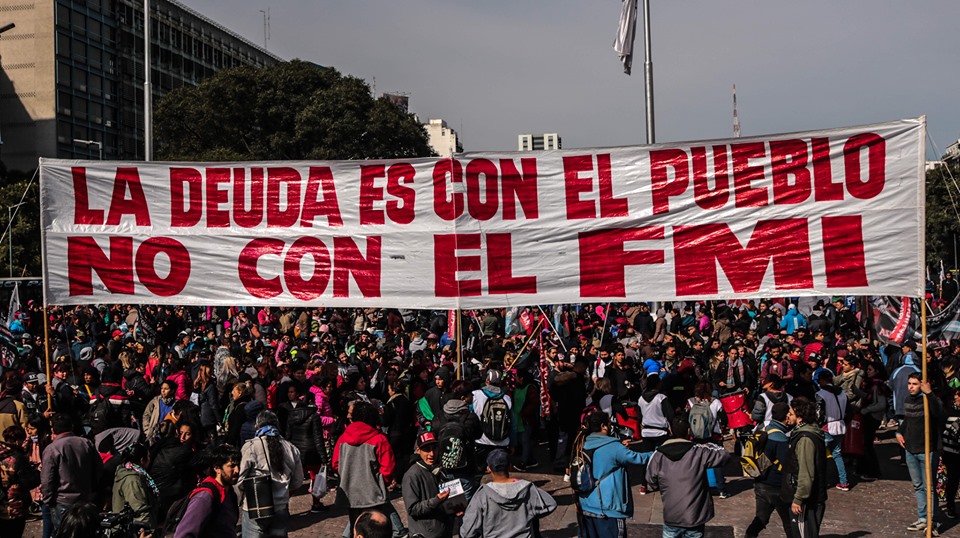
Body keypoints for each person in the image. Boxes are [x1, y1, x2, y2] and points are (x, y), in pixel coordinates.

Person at [645, 417, 731, 538]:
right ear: (689, 431)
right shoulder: (699, 451)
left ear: (670, 431)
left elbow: (650, 480)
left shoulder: (658, 455)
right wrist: (708, 444)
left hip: (671, 516)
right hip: (695, 516)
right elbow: (724, 454)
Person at [333, 401, 405, 538]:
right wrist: (380, 481)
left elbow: (335, 464)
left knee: (356, 526)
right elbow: (388, 467)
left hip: (350, 492)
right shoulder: (379, 439)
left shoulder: (342, 439)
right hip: (373, 492)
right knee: (376, 529)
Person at [578, 411, 653, 538]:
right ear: (603, 426)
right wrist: (658, 453)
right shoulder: (614, 447)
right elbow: (638, 458)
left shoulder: (582, 444)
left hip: (586, 507)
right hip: (608, 510)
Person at [460, 449, 557, 538]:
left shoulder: (482, 495)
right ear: (510, 467)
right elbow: (550, 504)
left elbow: (467, 532)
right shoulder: (527, 488)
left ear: (488, 469)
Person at [238, 410, 303, 538]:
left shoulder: (251, 447)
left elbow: (240, 479)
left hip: (255, 507)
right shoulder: (291, 448)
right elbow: (298, 481)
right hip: (280, 507)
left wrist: (240, 498)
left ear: (257, 426)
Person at [898, 373, 944, 535]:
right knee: (918, 486)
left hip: (928, 450)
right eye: (909, 383)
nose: (910, 386)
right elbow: (907, 420)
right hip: (911, 449)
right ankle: (923, 518)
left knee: (929, 488)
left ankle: (934, 521)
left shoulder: (929, 400)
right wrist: (899, 432)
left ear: (923, 384)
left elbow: (939, 414)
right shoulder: (908, 400)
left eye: (915, 384)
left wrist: (929, 393)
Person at [41, 414, 103, 533]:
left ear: (53, 430)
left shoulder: (52, 448)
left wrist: (48, 500)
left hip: (63, 501)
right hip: (85, 498)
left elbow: (47, 479)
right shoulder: (86, 443)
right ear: (72, 426)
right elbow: (99, 468)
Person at [781, 397, 828, 538]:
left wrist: (799, 499)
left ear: (800, 418)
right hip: (807, 497)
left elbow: (806, 472)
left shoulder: (805, 439)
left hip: (806, 500)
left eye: (791, 413)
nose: (787, 416)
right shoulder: (805, 434)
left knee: (803, 534)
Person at [745, 402, 792, 538]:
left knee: (761, 518)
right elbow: (786, 464)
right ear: (786, 417)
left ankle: (749, 535)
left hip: (760, 484)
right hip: (776, 487)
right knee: (789, 523)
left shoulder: (765, 429)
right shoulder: (780, 438)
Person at [174, 444, 241, 538]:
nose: (237, 470)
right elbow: (184, 534)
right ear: (217, 468)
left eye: (238, 465)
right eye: (232, 466)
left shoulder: (230, 493)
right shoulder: (204, 497)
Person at [401, 431, 453, 538]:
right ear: (418, 450)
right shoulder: (412, 475)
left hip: (443, 530)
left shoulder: (440, 469)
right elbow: (413, 509)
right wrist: (436, 500)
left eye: (434, 448)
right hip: (426, 534)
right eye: (427, 450)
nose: (432, 454)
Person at [111, 442, 160, 532]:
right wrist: (148, 532)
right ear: (142, 460)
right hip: (132, 531)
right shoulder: (132, 479)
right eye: (148, 457)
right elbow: (140, 511)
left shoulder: (127, 472)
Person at [471, 370, 512, 474]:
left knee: (479, 474)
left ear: (486, 381)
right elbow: (512, 424)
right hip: (503, 442)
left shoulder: (475, 395)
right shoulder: (507, 399)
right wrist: (513, 443)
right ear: (499, 383)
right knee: (500, 474)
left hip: (481, 441)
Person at [815, 370, 850, 491]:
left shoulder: (821, 394)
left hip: (827, 427)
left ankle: (820, 482)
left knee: (820, 456)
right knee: (837, 454)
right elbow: (849, 411)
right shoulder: (843, 393)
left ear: (823, 380)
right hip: (841, 425)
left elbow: (819, 413)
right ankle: (844, 481)